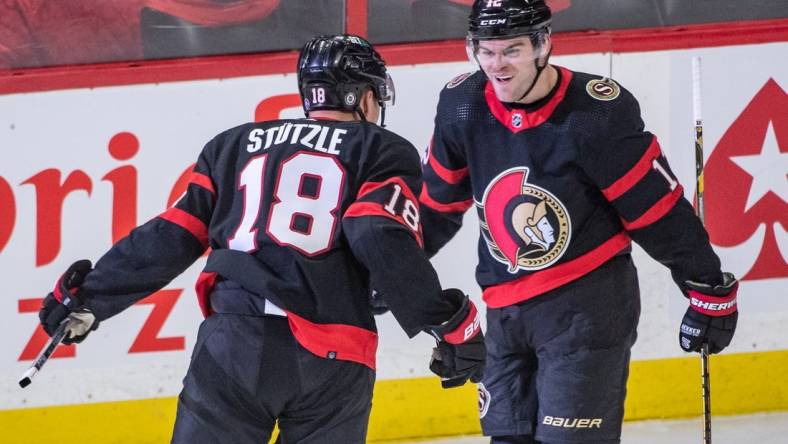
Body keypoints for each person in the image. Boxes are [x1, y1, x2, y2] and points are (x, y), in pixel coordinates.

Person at [38, 34, 485, 444]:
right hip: (333, 353)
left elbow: (172, 235)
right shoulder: (380, 148)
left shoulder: (231, 146)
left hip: (235, 341)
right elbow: (377, 234)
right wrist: (446, 324)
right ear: (364, 96)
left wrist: (90, 297)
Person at [419, 1, 739, 443]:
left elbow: (656, 212)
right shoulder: (462, 106)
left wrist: (706, 287)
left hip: (586, 305)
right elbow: (434, 204)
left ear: (543, 43)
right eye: (487, 51)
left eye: (511, 50)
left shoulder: (595, 114)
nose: (497, 65)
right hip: (504, 308)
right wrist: (400, 276)